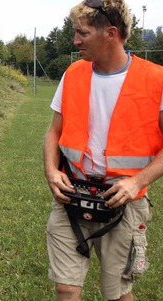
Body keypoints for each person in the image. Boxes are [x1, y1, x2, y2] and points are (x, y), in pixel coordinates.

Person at [42, 0, 163, 300]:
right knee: (65, 287)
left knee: (118, 293)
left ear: (110, 33)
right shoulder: (73, 74)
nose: (75, 40)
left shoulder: (156, 80)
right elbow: (53, 132)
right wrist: (50, 171)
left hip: (123, 203)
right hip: (72, 194)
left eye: (82, 33)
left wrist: (137, 181)